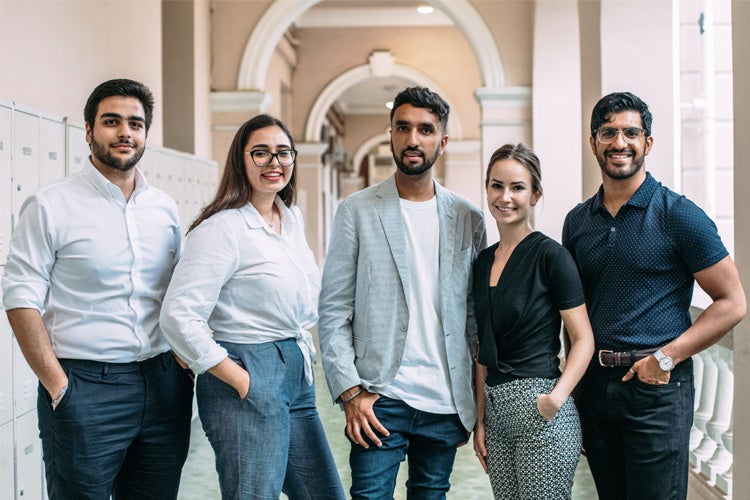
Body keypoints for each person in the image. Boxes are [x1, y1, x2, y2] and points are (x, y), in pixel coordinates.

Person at [1, 79, 193, 499]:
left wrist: (181, 364)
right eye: (112, 121)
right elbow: (20, 297)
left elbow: (179, 292)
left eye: (136, 124)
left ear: (145, 134)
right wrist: (57, 385)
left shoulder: (163, 207)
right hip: (85, 386)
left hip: (164, 385)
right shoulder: (51, 205)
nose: (125, 132)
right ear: (88, 131)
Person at [563, 91, 746, 499]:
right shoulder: (578, 222)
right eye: (608, 132)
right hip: (595, 387)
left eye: (631, 132)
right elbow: (573, 312)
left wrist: (665, 358)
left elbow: (733, 302)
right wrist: (574, 386)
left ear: (647, 143)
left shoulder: (679, 215)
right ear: (593, 142)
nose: (619, 143)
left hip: (657, 390)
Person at [159, 114, 345, 500]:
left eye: (282, 153)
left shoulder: (289, 219)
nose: (273, 163)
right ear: (241, 161)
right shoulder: (222, 229)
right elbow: (178, 316)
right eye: (260, 153)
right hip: (247, 367)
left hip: (294, 369)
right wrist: (242, 380)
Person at [318, 86, 486, 499]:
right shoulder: (356, 210)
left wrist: (477, 406)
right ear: (391, 134)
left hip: (444, 399)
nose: (413, 139)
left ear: (442, 141)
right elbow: (334, 310)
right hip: (380, 396)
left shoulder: (469, 217)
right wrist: (350, 392)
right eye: (403, 128)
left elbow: (474, 317)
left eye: (425, 129)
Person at [471, 143, 594, 499]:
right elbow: (483, 347)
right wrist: (481, 420)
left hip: (540, 410)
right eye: (496, 186)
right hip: (495, 413)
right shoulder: (481, 263)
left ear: (535, 194)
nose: (504, 197)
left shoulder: (551, 257)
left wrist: (556, 398)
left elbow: (583, 339)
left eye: (517, 187)